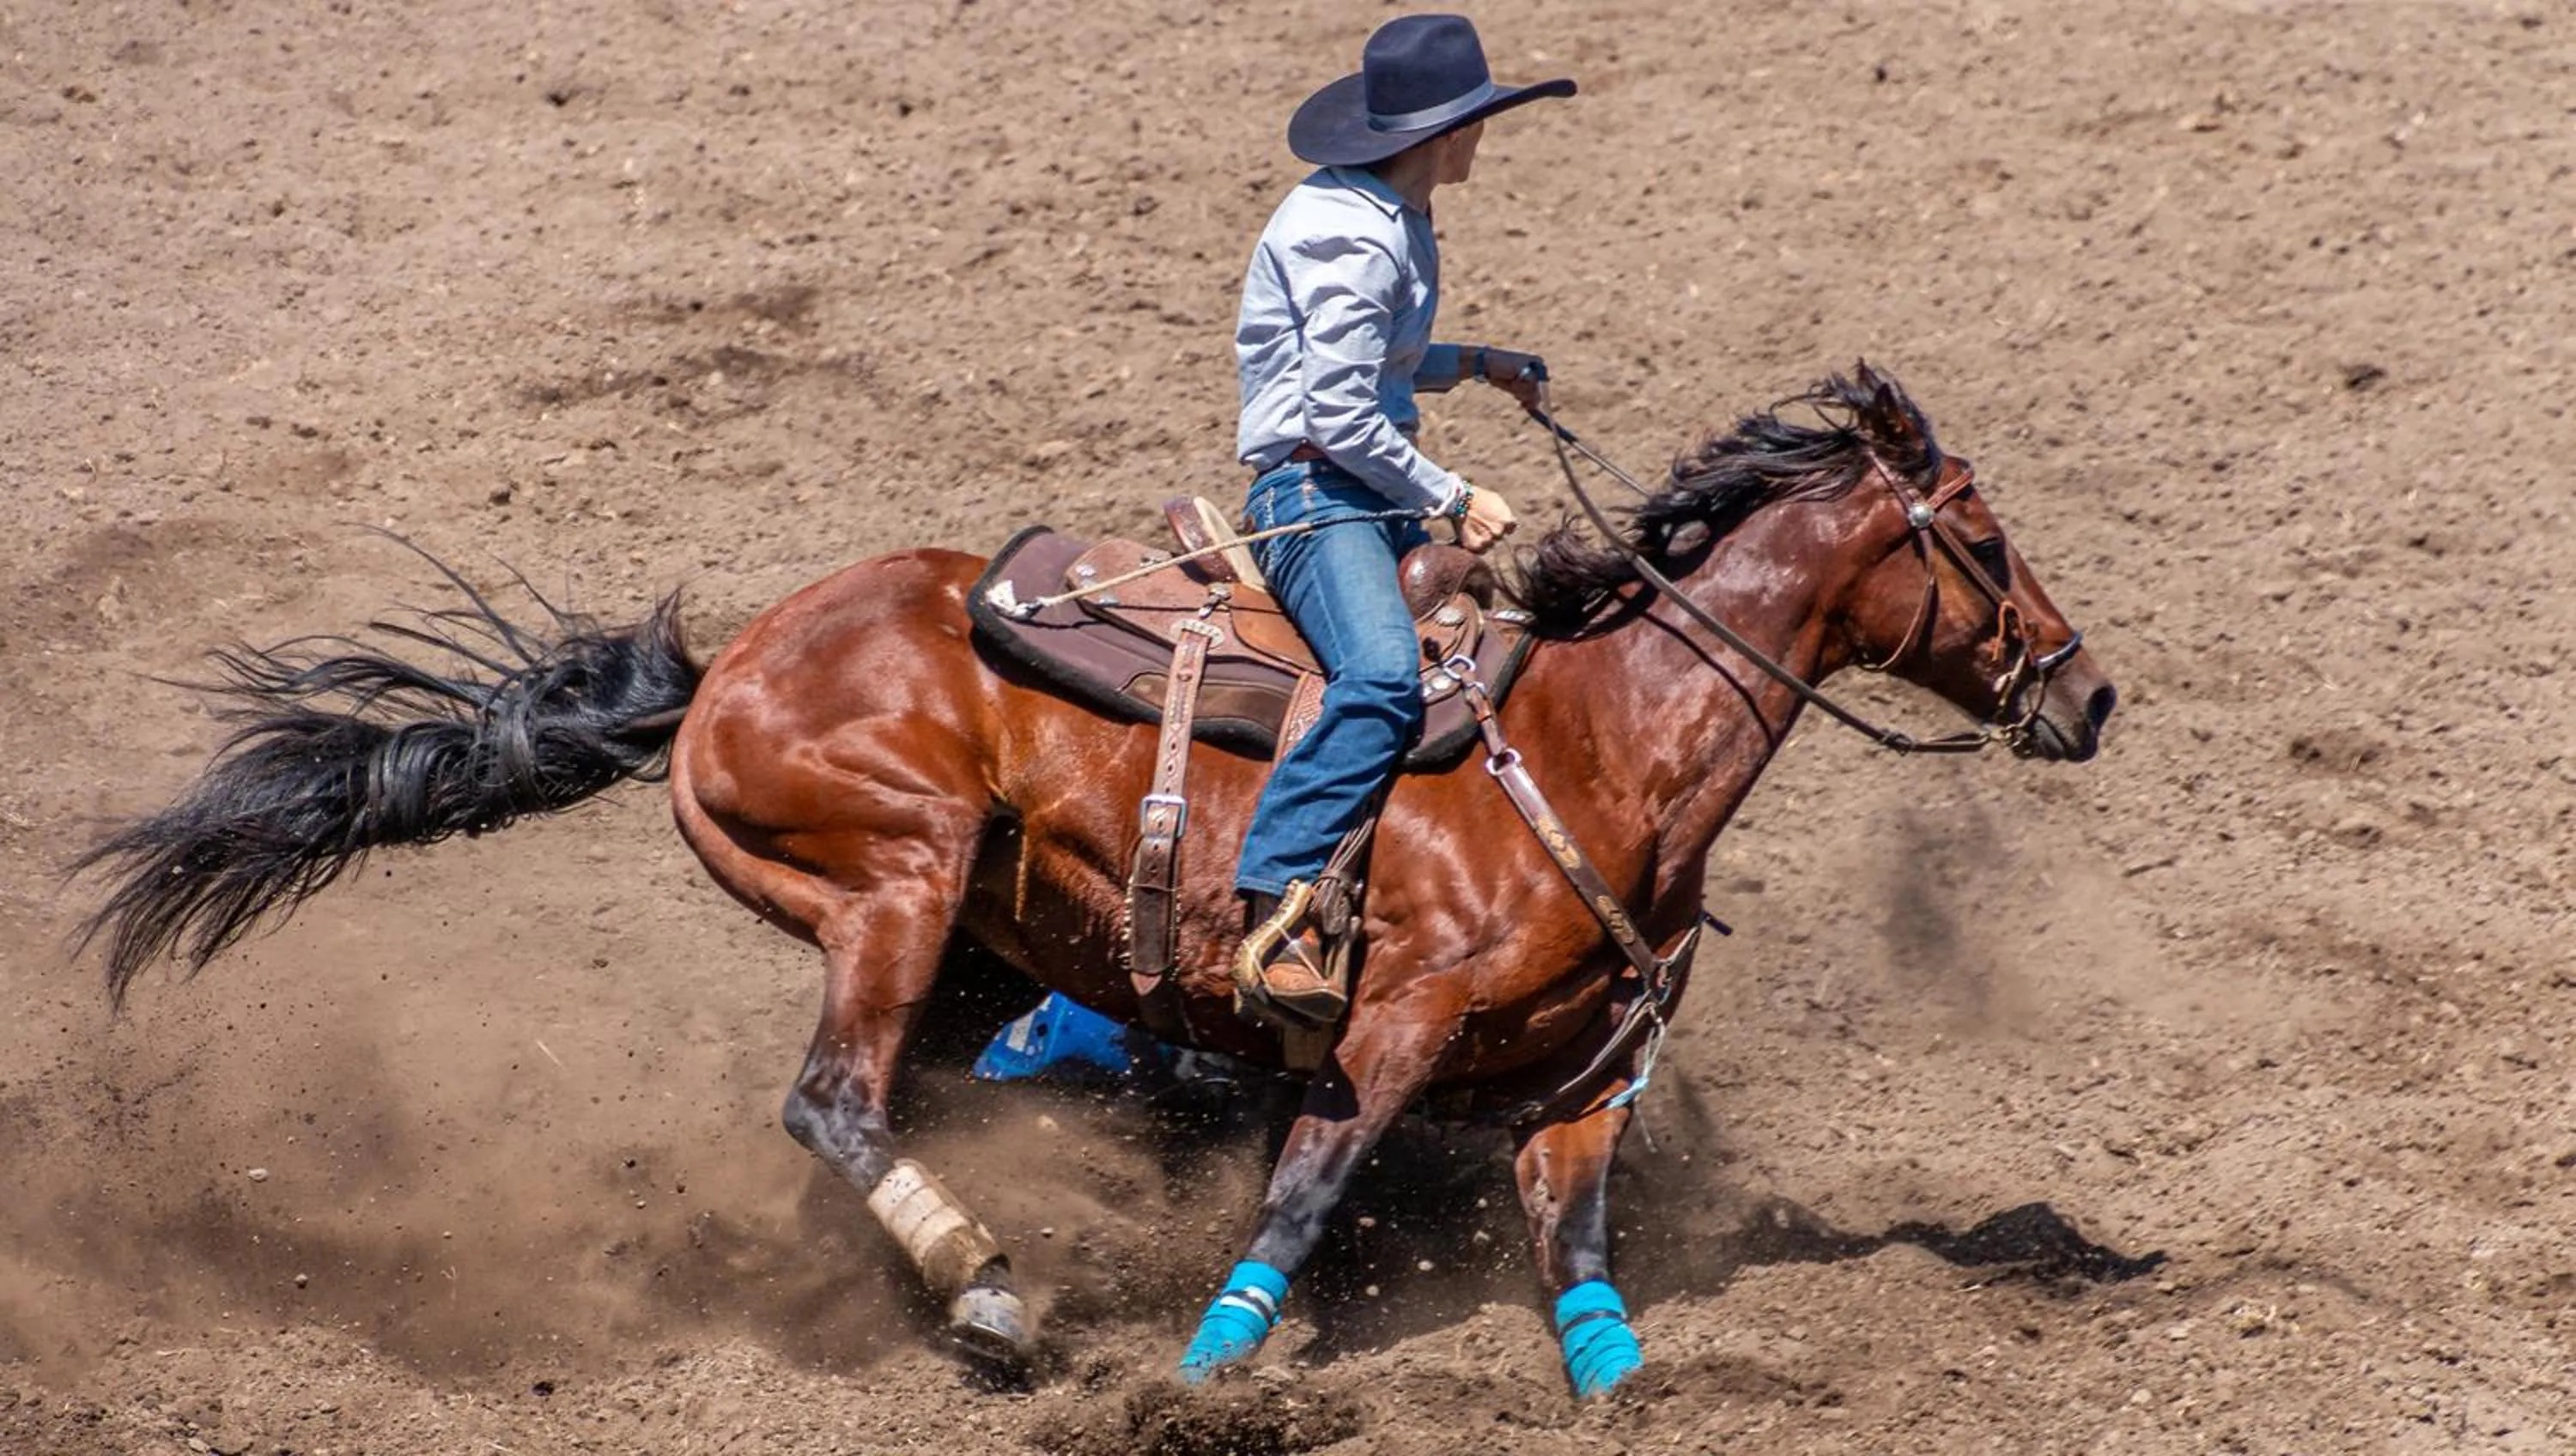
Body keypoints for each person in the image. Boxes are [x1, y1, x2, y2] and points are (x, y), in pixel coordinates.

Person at [1230, 14, 1574, 1026]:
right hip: (1316, 498)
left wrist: (1470, 362)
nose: (1481, 139)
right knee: (1383, 681)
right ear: (1444, 132)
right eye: (1476, 121)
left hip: (1359, 490)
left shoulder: (1389, 213)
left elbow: (1370, 359)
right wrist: (1451, 496)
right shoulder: (1356, 236)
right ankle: (1276, 900)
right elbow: (1335, 413)